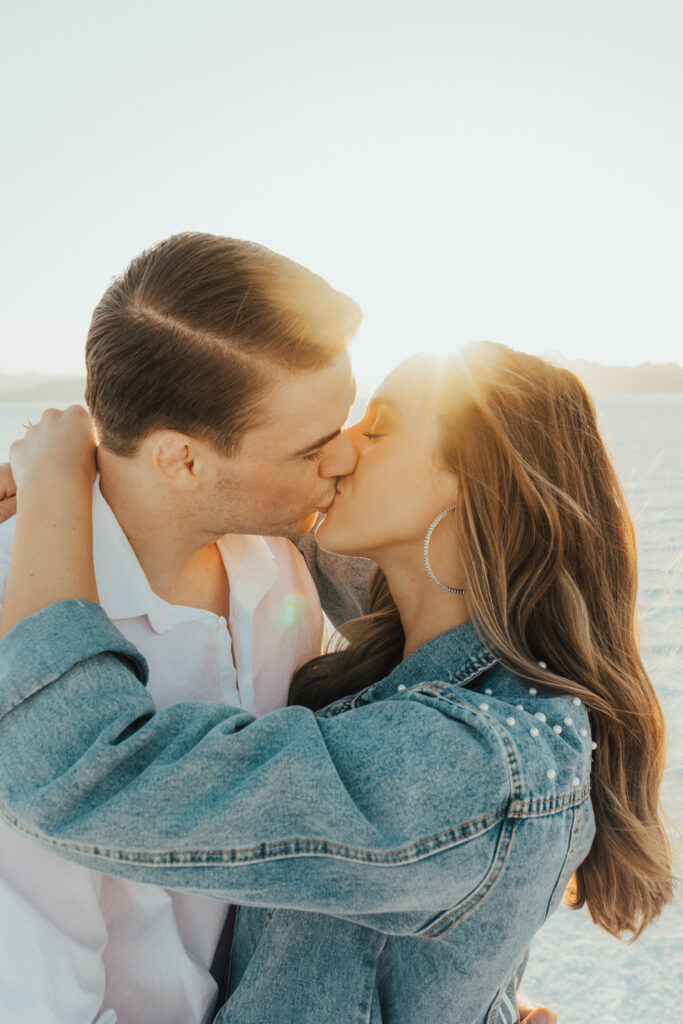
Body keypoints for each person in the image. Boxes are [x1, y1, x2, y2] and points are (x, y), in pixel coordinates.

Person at [0, 340, 674, 1022]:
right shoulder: (435, 662)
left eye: (375, 429)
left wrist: (55, 484)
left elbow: (78, 766)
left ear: (476, 484)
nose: (337, 453)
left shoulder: (474, 762)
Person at [0, 232, 370, 1024]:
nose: (344, 459)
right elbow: (33, 985)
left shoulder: (281, 565)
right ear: (182, 460)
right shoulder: (17, 618)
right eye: (313, 446)